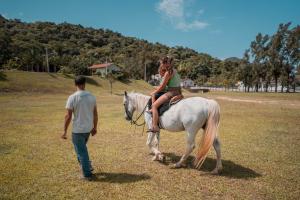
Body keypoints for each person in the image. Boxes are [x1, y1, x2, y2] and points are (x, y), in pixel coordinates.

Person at [61, 75, 98, 181]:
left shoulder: (72, 97)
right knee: (81, 150)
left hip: (77, 131)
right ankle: (86, 166)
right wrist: (94, 127)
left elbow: (68, 116)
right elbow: (95, 114)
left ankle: (87, 174)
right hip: (88, 130)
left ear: (75, 84)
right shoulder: (92, 96)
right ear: (85, 84)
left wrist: (64, 131)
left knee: (81, 151)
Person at [150, 56, 182, 132]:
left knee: (154, 106)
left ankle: (155, 126)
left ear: (164, 64)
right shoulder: (175, 71)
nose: (161, 66)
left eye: (161, 64)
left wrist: (154, 92)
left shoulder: (168, 73)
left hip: (171, 93)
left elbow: (162, 87)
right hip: (177, 92)